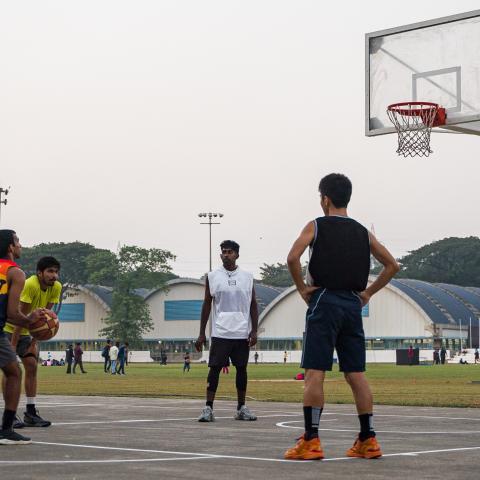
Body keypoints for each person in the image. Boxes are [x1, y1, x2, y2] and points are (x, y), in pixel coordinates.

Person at [284, 174, 399, 460]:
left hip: (324, 300)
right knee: (355, 373)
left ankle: (311, 439)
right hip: (351, 303)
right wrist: (368, 293)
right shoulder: (362, 231)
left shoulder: (316, 226)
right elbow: (392, 265)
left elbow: (292, 257)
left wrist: (301, 288)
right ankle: (368, 439)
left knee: (314, 372)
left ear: (325, 198)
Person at [195, 240, 258, 422]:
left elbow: (253, 304)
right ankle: (208, 408)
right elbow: (207, 304)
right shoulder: (213, 276)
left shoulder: (247, 277)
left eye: (230, 252)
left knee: (241, 369)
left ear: (237, 255)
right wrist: (201, 333)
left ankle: (241, 408)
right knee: (214, 369)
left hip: (241, 332)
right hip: (221, 332)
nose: (226, 255)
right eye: (223, 252)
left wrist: (254, 331)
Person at [3, 256, 61, 428]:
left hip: (27, 330)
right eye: (50, 271)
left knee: (31, 365)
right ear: (39, 273)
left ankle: (30, 412)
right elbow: (20, 317)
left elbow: (45, 317)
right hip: (10, 328)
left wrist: (35, 341)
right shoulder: (30, 285)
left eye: (56, 272)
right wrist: (13, 345)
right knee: (10, 370)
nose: (54, 276)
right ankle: (9, 415)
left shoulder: (56, 287)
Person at [0, 229, 46, 444]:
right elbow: (12, 314)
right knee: (14, 373)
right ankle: (7, 430)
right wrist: (32, 320)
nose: (20, 245)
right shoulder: (15, 273)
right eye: (17, 241)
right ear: (10, 247)